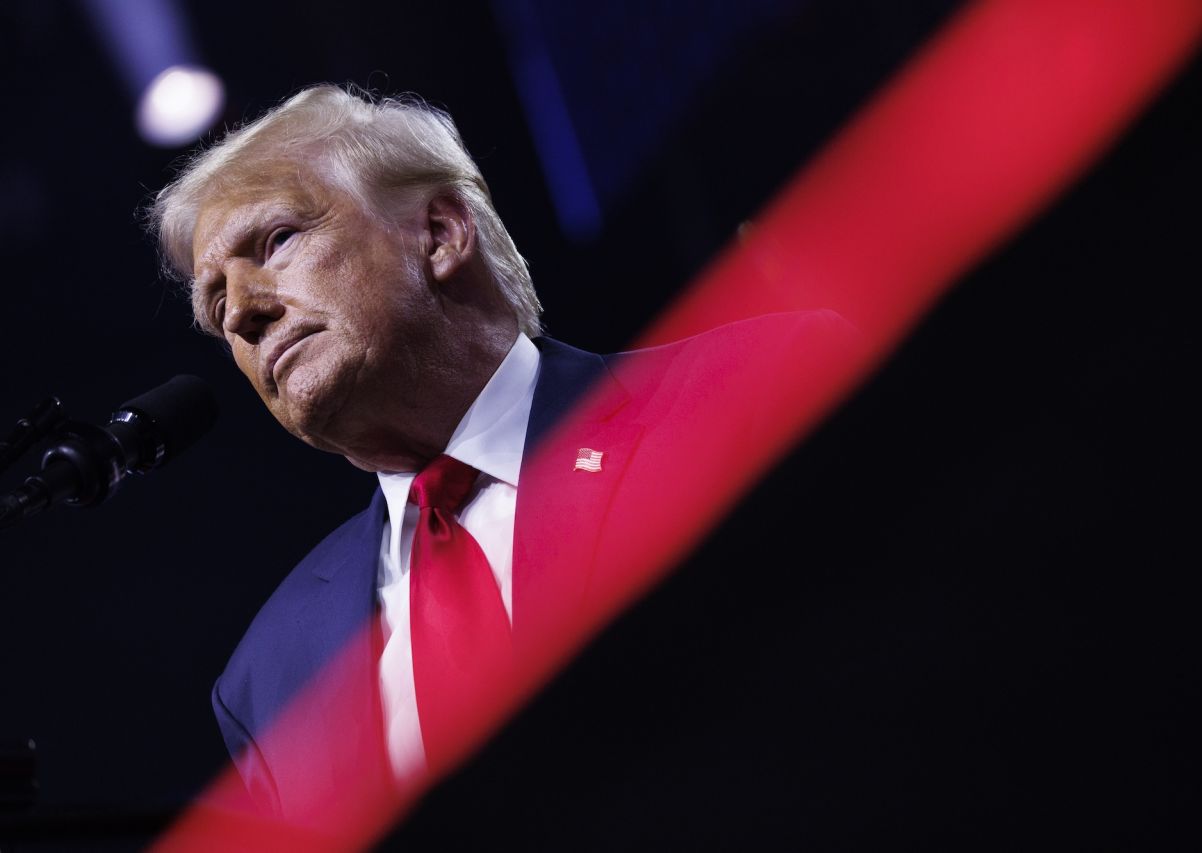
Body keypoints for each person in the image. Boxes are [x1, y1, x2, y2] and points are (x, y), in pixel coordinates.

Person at [148, 83, 851, 839]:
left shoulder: (762, 389)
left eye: (278, 240)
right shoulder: (268, 677)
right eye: (216, 309)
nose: (245, 313)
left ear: (442, 233)